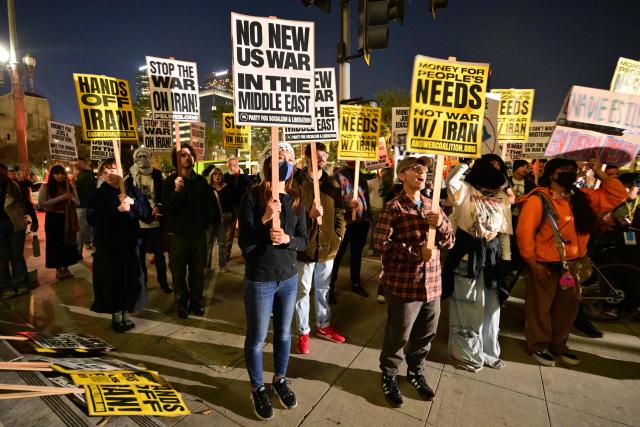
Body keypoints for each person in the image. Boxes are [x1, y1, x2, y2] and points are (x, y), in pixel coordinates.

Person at [516, 157, 627, 367]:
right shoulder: (538, 200)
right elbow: (524, 233)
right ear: (551, 174)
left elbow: (618, 196)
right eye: (563, 169)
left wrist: (599, 172)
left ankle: (559, 345)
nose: (569, 172)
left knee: (566, 309)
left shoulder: (582, 197)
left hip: (573, 267)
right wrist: (532, 263)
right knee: (540, 308)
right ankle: (538, 345)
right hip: (545, 266)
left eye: (571, 169)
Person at [373, 157, 454, 408]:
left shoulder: (433, 206)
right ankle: (389, 374)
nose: (422, 172)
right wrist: (413, 252)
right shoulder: (394, 207)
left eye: (425, 169)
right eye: (416, 168)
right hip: (405, 285)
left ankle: (416, 370)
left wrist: (439, 222)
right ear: (402, 175)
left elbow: (449, 241)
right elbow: (380, 244)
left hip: (432, 285)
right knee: (399, 334)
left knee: (425, 334)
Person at [238, 142, 307, 421]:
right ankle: (257, 387)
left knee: (283, 334)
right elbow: (245, 245)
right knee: (256, 338)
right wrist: (265, 218)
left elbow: (303, 241)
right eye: (279, 157)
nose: (284, 161)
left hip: (288, 278)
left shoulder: (297, 197)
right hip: (260, 279)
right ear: (267, 162)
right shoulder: (252, 196)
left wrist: (288, 240)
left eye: (288, 158)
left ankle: (279, 379)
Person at [442, 157, 511, 372]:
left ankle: (488, 352)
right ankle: (465, 354)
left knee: (491, 310)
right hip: (466, 261)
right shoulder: (465, 190)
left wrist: (506, 260)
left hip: (491, 263)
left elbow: (505, 233)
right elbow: (450, 182)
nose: (496, 171)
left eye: (499, 168)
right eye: (491, 167)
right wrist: (464, 162)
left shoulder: (502, 197)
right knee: (468, 309)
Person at [293, 142, 347, 355]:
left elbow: (340, 211)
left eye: (325, 155)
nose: (322, 159)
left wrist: (339, 235)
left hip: (328, 248)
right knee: (303, 291)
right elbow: (290, 215)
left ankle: (324, 326)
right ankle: (303, 331)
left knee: (323, 289)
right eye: (318, 155)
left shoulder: (332, 183)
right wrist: (309, 216)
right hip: (305, 247)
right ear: (307, 158)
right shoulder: (297, 183)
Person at [88, 159, 151, 332]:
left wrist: (133, 203)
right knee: (112, 281)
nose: (110, 174)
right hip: (109, 246)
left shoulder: (132, 190)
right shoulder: (97, 194)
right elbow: (93, 219)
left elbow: (146, 214)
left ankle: (127, 313)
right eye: (105, 171)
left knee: (129, 280)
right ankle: (116, 314)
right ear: (101, 174)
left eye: (113, 169)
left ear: (121, 171)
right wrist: (116, 211)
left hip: (130, 244)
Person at [163, 144, 213, 318]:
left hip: (198, 235)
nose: (188, 157)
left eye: (190, 154)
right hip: (178, 237)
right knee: (178, 273)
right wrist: (177, 191)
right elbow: (168, 209)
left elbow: (209, 206)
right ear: (176, 160)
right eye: (183, 155)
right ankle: (182, 303)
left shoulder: (201, 182)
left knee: (197, 273)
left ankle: (196, 302)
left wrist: (205, 225)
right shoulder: (170, 182)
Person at [125, 148, 172, 294]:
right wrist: (138, 214)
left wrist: (159, 207)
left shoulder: (158, 176)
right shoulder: (130, 178)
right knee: (140, 257)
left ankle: (163, 282)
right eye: (139, 156)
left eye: (145, 156)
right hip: (139, 223)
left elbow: (164, 196)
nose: (143, 159)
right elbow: (129, 199)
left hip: (156, 222)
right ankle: (142, 284)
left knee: (159, 256)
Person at [329, 160, 372, 302]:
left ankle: (355, 283)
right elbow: (332, 200)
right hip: (345, 223)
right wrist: (347, 204)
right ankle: (330, 287)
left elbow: (365, 197)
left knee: (356, 254)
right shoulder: (337, 176)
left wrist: (368, 216)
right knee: (338, 255)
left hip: (361, 222)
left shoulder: (361, 175)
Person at [0, 163, 38, 295]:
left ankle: (21, 283)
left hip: (15, 225)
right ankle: (5, 286)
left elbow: (26, 203)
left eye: (3, 171)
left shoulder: (14, 186)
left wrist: (35, 219)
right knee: (2, 258)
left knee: (17, 256)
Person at [38, 165, 80, 280]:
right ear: (52, 175)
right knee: (55, 243)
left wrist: (70, 198)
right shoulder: (46, 187)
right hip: (53, 219)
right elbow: (42, 203)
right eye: (57, 174)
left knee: (67, 243)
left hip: (68, 218)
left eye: (62, 173)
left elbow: (77, 203)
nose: (60, 176)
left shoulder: (70, 186)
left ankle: (66, 267)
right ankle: (58, 269)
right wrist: (61, 197)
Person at [223, 156, 253, 261]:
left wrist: (239, 175)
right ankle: (226, 254)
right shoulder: (226, 176)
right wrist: (234, 176)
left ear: (238, 164)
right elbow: (227, 188)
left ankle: (245, 252)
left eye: (234, 165)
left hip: (243, 207)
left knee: (244, 230)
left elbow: (249, 186)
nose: (233, 167)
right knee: (229, 232)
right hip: (232, 207)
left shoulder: (244, 176)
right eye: (230, 165)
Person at [206, 167, 233, 274]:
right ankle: (207, 266)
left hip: (221, 220)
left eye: (219, 174)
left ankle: (222, 265)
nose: (217, 176)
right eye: (215, 174)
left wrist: (230, 216)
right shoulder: (208, 189)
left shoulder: (226, 188)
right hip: (209, 220)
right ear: (211, 176)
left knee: (222, 244)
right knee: (208, 244)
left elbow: (230, 204)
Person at [75, 157, 96, 257]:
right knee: (87, 228)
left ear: (83, 163)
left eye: (77, 162)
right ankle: (87, 245)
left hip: (83, 206)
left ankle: (78, 252)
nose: (75, 164)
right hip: (86, 205)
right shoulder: (85, 175)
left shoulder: (85, 176)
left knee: (81, 230)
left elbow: (84, 192)